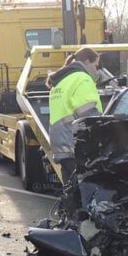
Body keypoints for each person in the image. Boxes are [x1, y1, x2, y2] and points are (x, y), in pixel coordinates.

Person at [46, 47, 102, 182]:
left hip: (62, 147)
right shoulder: (82, 79)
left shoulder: (61, 81)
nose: (96, 70)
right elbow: (89, 117)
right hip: (77, 148)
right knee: (85, 196)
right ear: (87, 62)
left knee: (70, 193)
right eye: (95, 65)